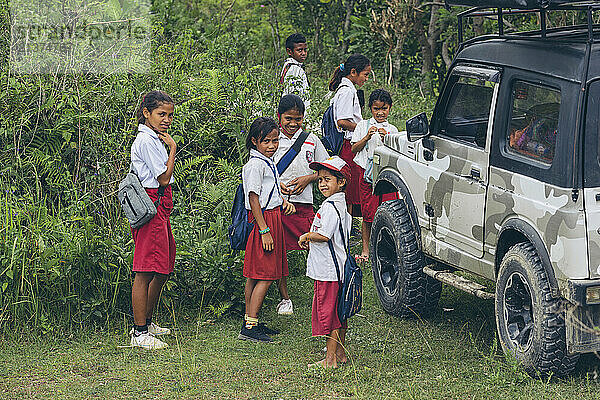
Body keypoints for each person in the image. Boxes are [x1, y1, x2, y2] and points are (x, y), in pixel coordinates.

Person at [240, 117, 296, 343]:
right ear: (255, 141)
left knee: (257, 272)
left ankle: (250, 319)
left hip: (272, 216)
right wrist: (264, 230)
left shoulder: (266, 161)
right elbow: (253, 197)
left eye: (275, 141)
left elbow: (267, 190)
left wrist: (282, 200)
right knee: (266, 274)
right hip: (264, 220)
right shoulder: (255, 165)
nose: (272, 146)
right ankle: (250, 326)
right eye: (266, 141)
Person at [273, 94, 329, 315]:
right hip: (278, 205)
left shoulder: (311, 140)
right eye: (288, 118)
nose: (293, 123)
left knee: (316, 246)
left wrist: (309, 178)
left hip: (304, 204)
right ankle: (284, 298)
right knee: (278, 252)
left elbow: (326, 168)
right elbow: (262, 171)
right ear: (279, 117)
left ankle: (324, 292)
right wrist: (278, 186)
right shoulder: (272, 139)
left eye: (298, 119)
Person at [129, 90, 177, 350]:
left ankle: (147, 321)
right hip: (151, 205)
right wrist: (173, 149)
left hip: (159, 206)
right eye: (161, 114)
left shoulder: (154, 138)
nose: (166, 119)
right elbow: (164, 178)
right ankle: (139, 332)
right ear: (147, 113)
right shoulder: (148, 141)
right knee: (145, 269)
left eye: (170, 115)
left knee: (163, 266)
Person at [299, 156, 352, 368]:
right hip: (338, 268)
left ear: (341, 182)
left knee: (329, 315)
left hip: (328, 271)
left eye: (328, 179)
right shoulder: (341, 205)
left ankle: (329, 360)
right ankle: (340, 353)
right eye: (320, 180)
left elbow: (324, 235)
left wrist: (307, 236)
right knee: (340, 312)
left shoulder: (329, 207)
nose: (322, 184)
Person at [351, 89, 399, 262]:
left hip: (386, 176)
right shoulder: (363, 125)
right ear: (370, 108)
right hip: (367, 175)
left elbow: (397, 154)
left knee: (389, 211)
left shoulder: (392, 129)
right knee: (368, 214)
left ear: (390, 108)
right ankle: (366, 250)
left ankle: (387, 250)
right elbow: (353, 149)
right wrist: (366, 137)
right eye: (376, 108)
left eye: (384, 108)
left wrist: (389, 139)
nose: (380, 112)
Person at [328, 54, 371, 217]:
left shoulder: (346, 89)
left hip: (348, 145)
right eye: (365, 74)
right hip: (348, 146)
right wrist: (363, 127)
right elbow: (342, 122)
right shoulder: (347, 92)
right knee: (349, 192)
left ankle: (348, 227)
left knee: (350, 192)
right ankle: (345, 228)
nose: (366, 79)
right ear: (353, 72)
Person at [280, 33, 310, 111]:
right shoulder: (295, 69)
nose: (303, 53)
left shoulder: (288, 66)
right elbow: (294, 97)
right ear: (289, 52)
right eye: (299, 50)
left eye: (305, 50)